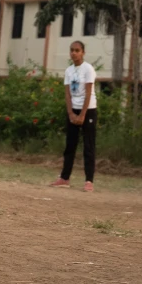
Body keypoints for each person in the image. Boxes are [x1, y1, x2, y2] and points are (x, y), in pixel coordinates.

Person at [50, 40, 97, 192]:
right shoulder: (69, 71)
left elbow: (88, 93)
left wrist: (82, 114)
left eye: (77, 50)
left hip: (88, 110)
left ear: (83, 52)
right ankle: (64, 178)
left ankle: (89, 180)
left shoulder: (88, 69)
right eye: (72, 50)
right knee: (70, 145)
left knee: (88, 146)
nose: (74, 53)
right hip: (73, 109)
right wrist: (71, 113)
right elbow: (67, 93)